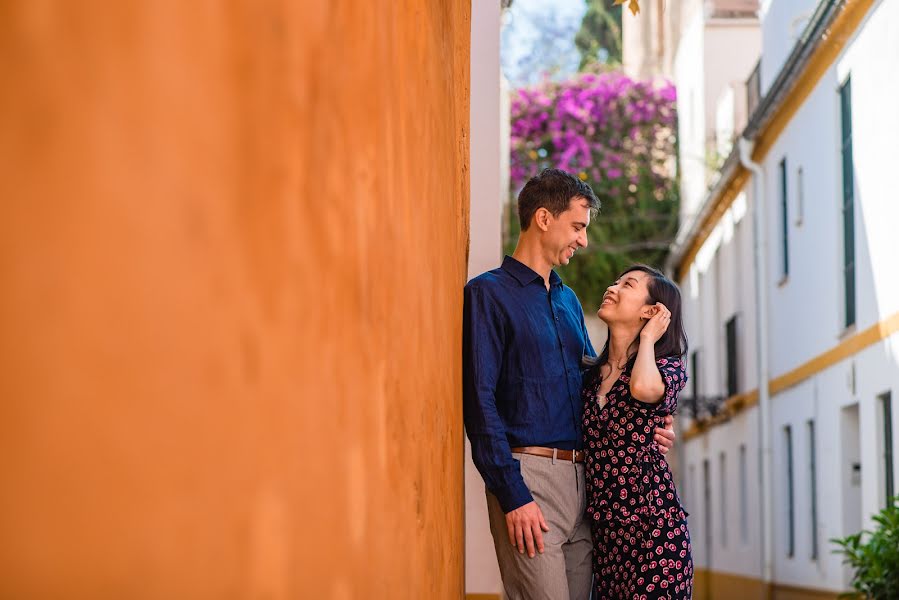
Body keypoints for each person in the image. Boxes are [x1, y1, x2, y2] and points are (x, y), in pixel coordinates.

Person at [463, 169, 676, 599]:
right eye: (577, 227)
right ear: (544, 218)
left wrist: (647, 421)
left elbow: (591, 384)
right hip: (531, 478)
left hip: (587, 485)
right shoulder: (487, 294)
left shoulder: (567, 300)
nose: (583, 241)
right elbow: (480, 402)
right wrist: (512, 494)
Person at [582, 265, 693, 599]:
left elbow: (643, 388)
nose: (612, 287)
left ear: (651, 311)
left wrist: (647, 338)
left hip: (655, 534)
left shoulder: (667, 367)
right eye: (615, 281)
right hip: (607, 543)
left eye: (626, 285)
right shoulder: (588, 376)